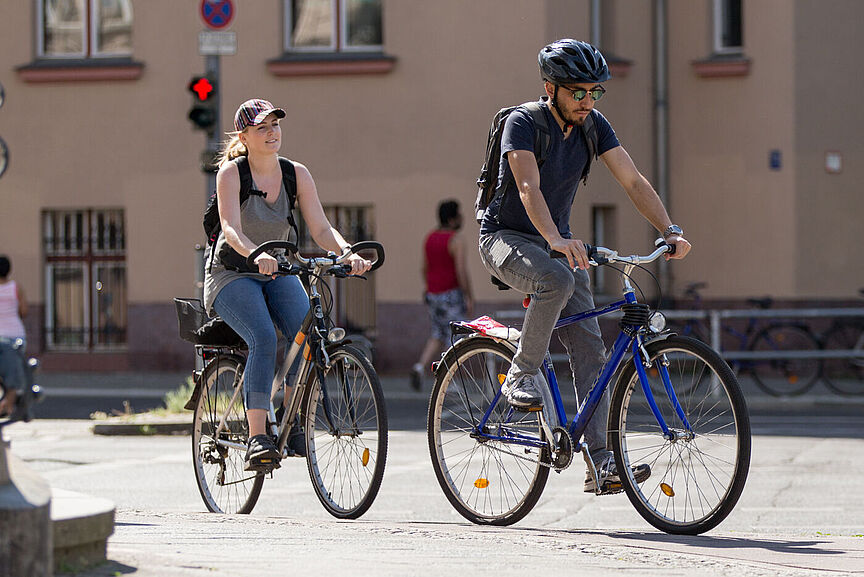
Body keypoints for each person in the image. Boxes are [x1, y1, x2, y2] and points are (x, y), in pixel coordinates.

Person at [477, 40, 692, 495]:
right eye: (578, 92)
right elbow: (528, 186)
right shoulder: (523, 122)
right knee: (555, 278)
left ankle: (603, 464)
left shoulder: (594, 126)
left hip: (556, 241)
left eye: (595, 92)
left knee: (592, 350)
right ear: (551, 87)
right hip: (506, 238)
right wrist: (555, 237)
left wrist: (669, 229)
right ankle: (521, 374)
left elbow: (632, 180)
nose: (588, 101)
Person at [204, 98, 372, 471]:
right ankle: (258, 437)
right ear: (244, 136)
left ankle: (293, 419)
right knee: (264, 337)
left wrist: (347, 252)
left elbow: (321, 228)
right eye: (261, 128)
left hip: (276, 271)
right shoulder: (232, 173)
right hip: (232, 273)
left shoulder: (296, 173)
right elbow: (229, 228)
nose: (271, 133)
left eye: (275, 125)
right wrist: (254, 253)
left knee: (308, 334)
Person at [410, 200, 474, 391]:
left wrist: (429, 287)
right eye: (459, 214)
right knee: (454, 337)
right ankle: (449, 379)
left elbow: (424, 268)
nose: (462, 218)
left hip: (433, 294)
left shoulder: (429, 238)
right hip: (451, 294)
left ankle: (420, 367)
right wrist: (468, 295)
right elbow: (461, 271)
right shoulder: (456, 240)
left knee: (438, 333)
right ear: (452, 219)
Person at [0, 255, 28, 417]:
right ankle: (8, 406)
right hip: (15, 336)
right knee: (13, 372)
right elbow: (24, 311)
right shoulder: (16, 288)